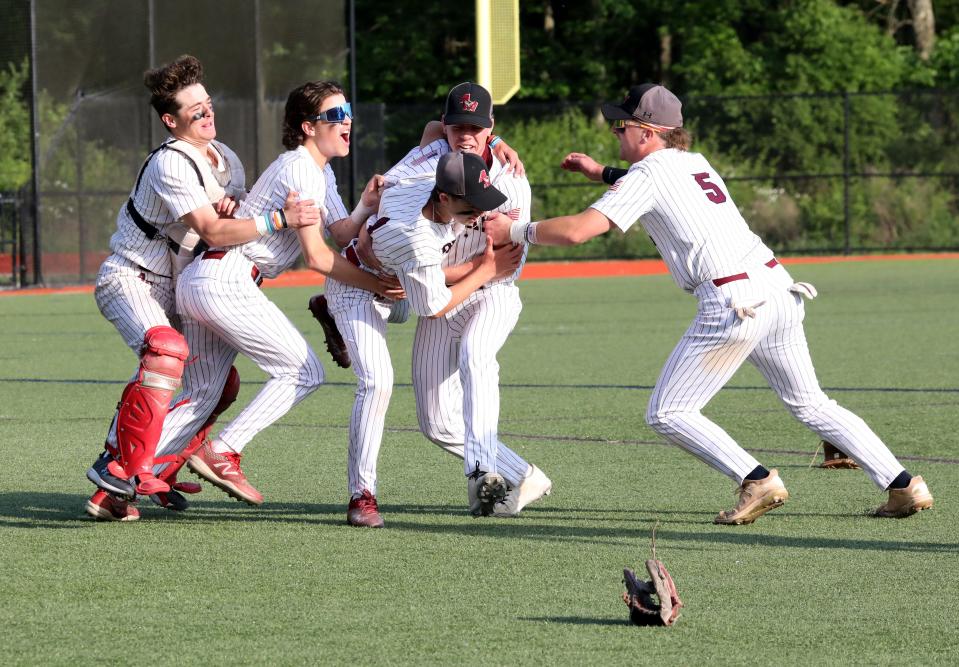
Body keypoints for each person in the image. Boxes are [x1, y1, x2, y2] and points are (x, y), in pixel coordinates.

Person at [486, 83, 934, 524]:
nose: (614, 132)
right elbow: (654, 188)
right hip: (778, 289)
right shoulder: (693, 163)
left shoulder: (650, 174)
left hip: (733, 303)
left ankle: (756, 479)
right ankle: (903, 484)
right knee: (811, 403)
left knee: (668, 412)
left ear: (647, 131)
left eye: (620, 125)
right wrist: (600, 172)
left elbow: (579, 230)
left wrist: (514, 231)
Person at [143, 81, 402, 510]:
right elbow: (319, 258)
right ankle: (224, 450)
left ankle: (131, 473)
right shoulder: (301, 168)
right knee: (303, 373)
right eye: (335, 115)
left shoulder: (318, 170)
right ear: (307, 126)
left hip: (206, 278)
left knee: (202, 394)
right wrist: (377, 285)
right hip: (226, 279)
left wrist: (365, 207)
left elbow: (340, 233)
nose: (347, 121)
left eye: (348, 111)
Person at [84, 55, 321, 521]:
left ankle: (149, 475)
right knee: (165, 352)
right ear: (171, 121)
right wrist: (280, 218)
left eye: (208, 105)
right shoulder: (171, 162)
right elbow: (213, 232)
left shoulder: (226, 158)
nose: (208, 114)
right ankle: (115, 466)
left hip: (177, 285)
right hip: (131, 277)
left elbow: (234, 221)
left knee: (216, 383)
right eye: (196, 111)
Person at [322, 82, 551, 527]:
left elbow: (505, 266)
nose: (466, 136)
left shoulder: (510, 180)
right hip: (433, 288)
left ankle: (482, 470)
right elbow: (387, 196)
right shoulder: (426, 164)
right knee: (436, 423)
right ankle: (524, 475)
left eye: (477, 128)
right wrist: (369, 239)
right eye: (457, 127)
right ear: (445, 127)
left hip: (490, 293)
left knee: (475, 355)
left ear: (490, 127)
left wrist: (474, 271)